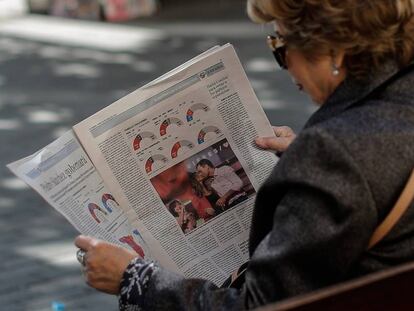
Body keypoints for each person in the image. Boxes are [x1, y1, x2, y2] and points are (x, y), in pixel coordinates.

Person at [74, 0, 414, 309]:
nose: (286, 66)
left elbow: (259, 306)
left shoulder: (332, 154)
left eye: (280, 46)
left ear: (334, 51)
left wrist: (136, 278)